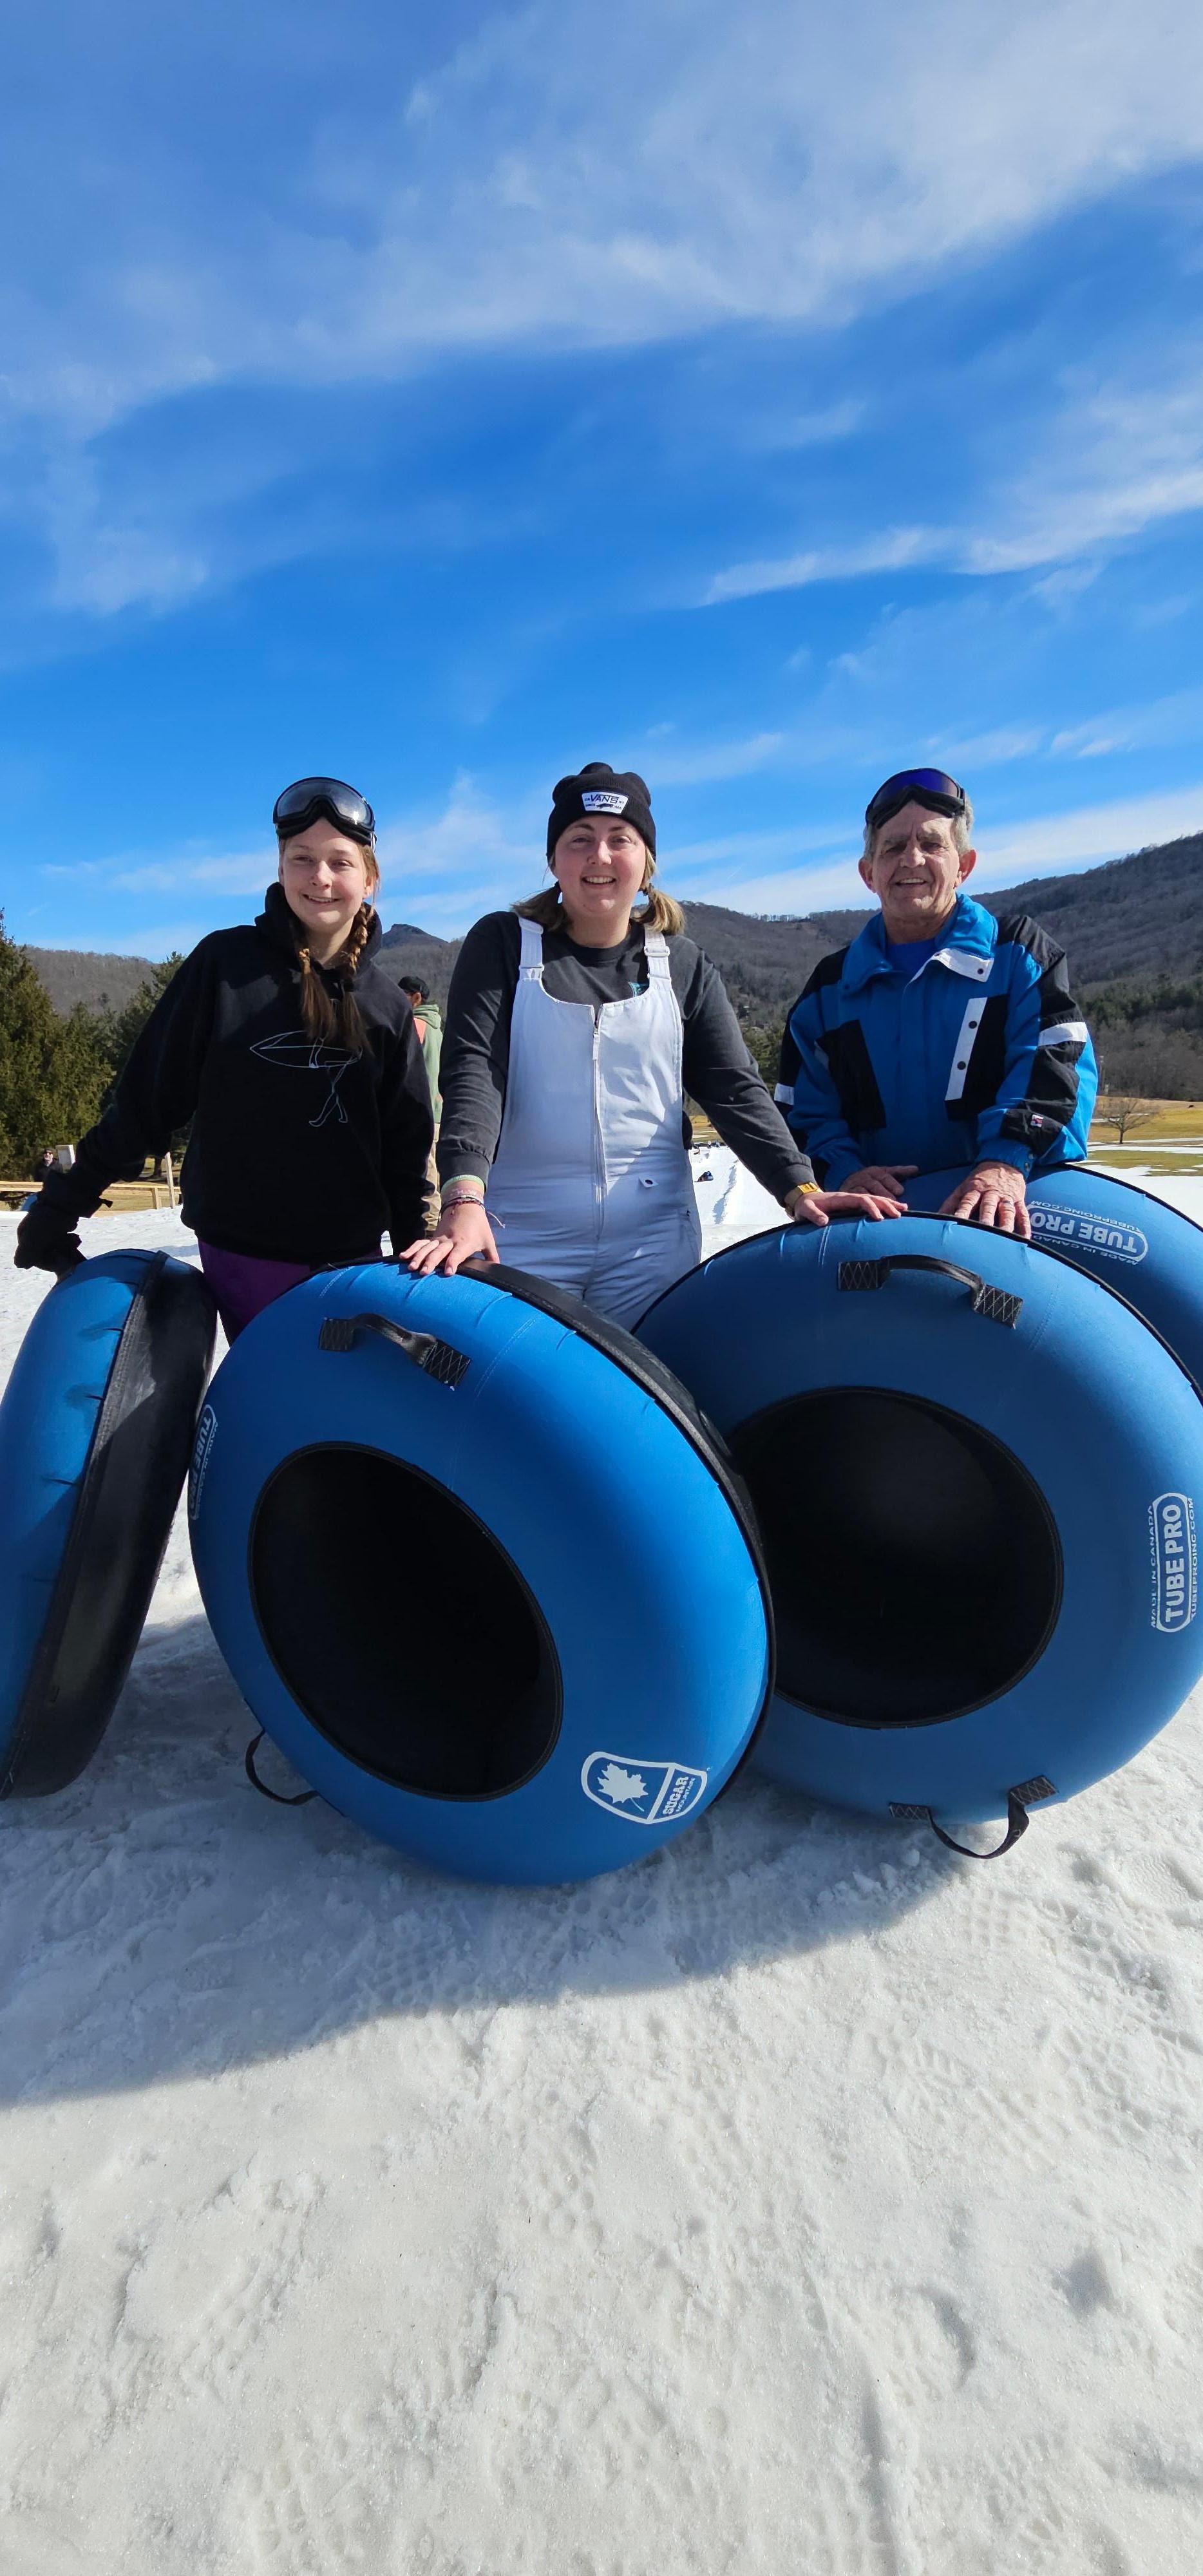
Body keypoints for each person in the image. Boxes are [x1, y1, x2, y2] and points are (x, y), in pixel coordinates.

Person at [404, 761, 903, 1329]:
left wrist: (799, 1186)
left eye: (622, 840)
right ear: (553, 860)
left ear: (646, 863)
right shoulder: (503, 944)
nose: (601, 856)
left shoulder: (681, 964)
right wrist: (463, 1196)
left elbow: (733, 1089)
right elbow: (474, 1071)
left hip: (651, 1244)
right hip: (519, 1231)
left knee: (650, 1396)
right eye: (580, 840)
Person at [15, 777, 433, 1339]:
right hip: (243, 1256)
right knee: (266, 1409)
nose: (321, 878)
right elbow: (146, 1102)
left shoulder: (385, 1006)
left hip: (350, 1263)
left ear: (370, 879)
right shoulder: (225, 967)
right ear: (280, 869)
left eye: (341, 862)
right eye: (302, 859)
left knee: (336, 1418)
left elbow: (406, 1154)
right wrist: (60, 1205)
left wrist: (419, 1262)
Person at [777, 767, 1097, 1239]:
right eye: (893, 847)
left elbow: (1055, 1062)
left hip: (997, 1218)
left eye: (932, 845)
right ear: (869, 874)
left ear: (964, 865)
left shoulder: (1017, 954)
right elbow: (800, 1108)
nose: (912, 859)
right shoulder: (830, 988)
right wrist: (844, 1171)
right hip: (877, 1226)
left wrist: (1004, 1162)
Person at [398, 975, 443, 1121]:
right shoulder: (435, 1027)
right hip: (436, 1111)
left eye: (401, 995)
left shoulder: (416, 1025)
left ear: (416, 998)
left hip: (418, 1114)